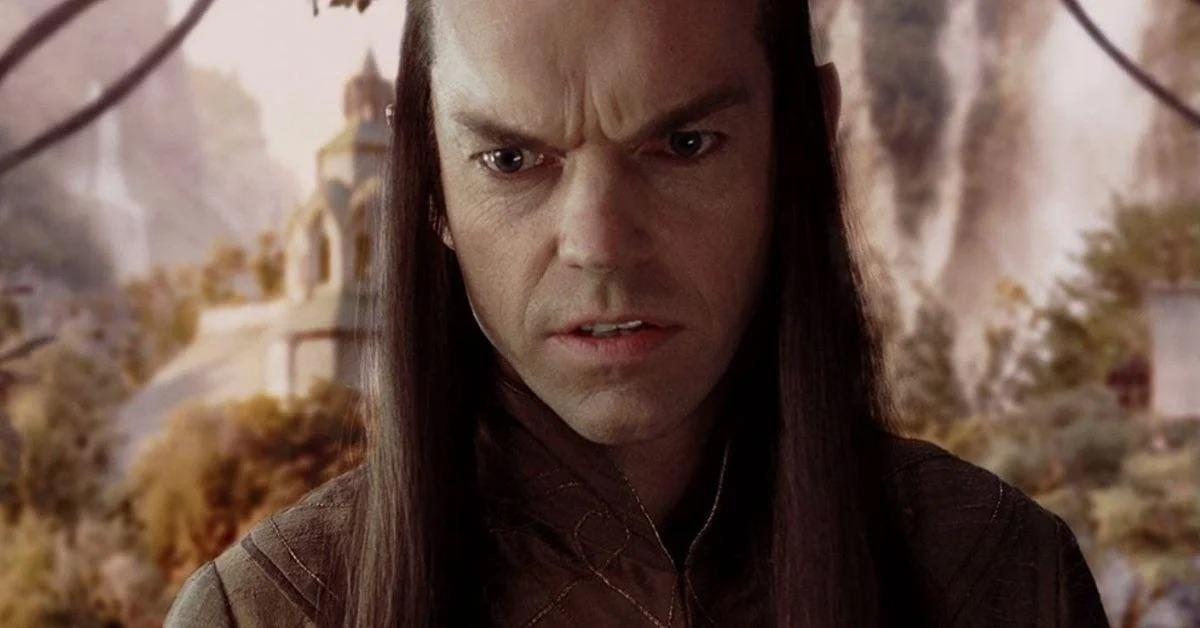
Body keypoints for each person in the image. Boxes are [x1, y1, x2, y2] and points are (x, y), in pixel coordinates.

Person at [166, 0, 1110, 626]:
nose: (599, 243)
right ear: (429, 181)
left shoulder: (999, 575)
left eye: (685, 143)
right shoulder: (264, 614)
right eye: (511, 161)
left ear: (803, 141)